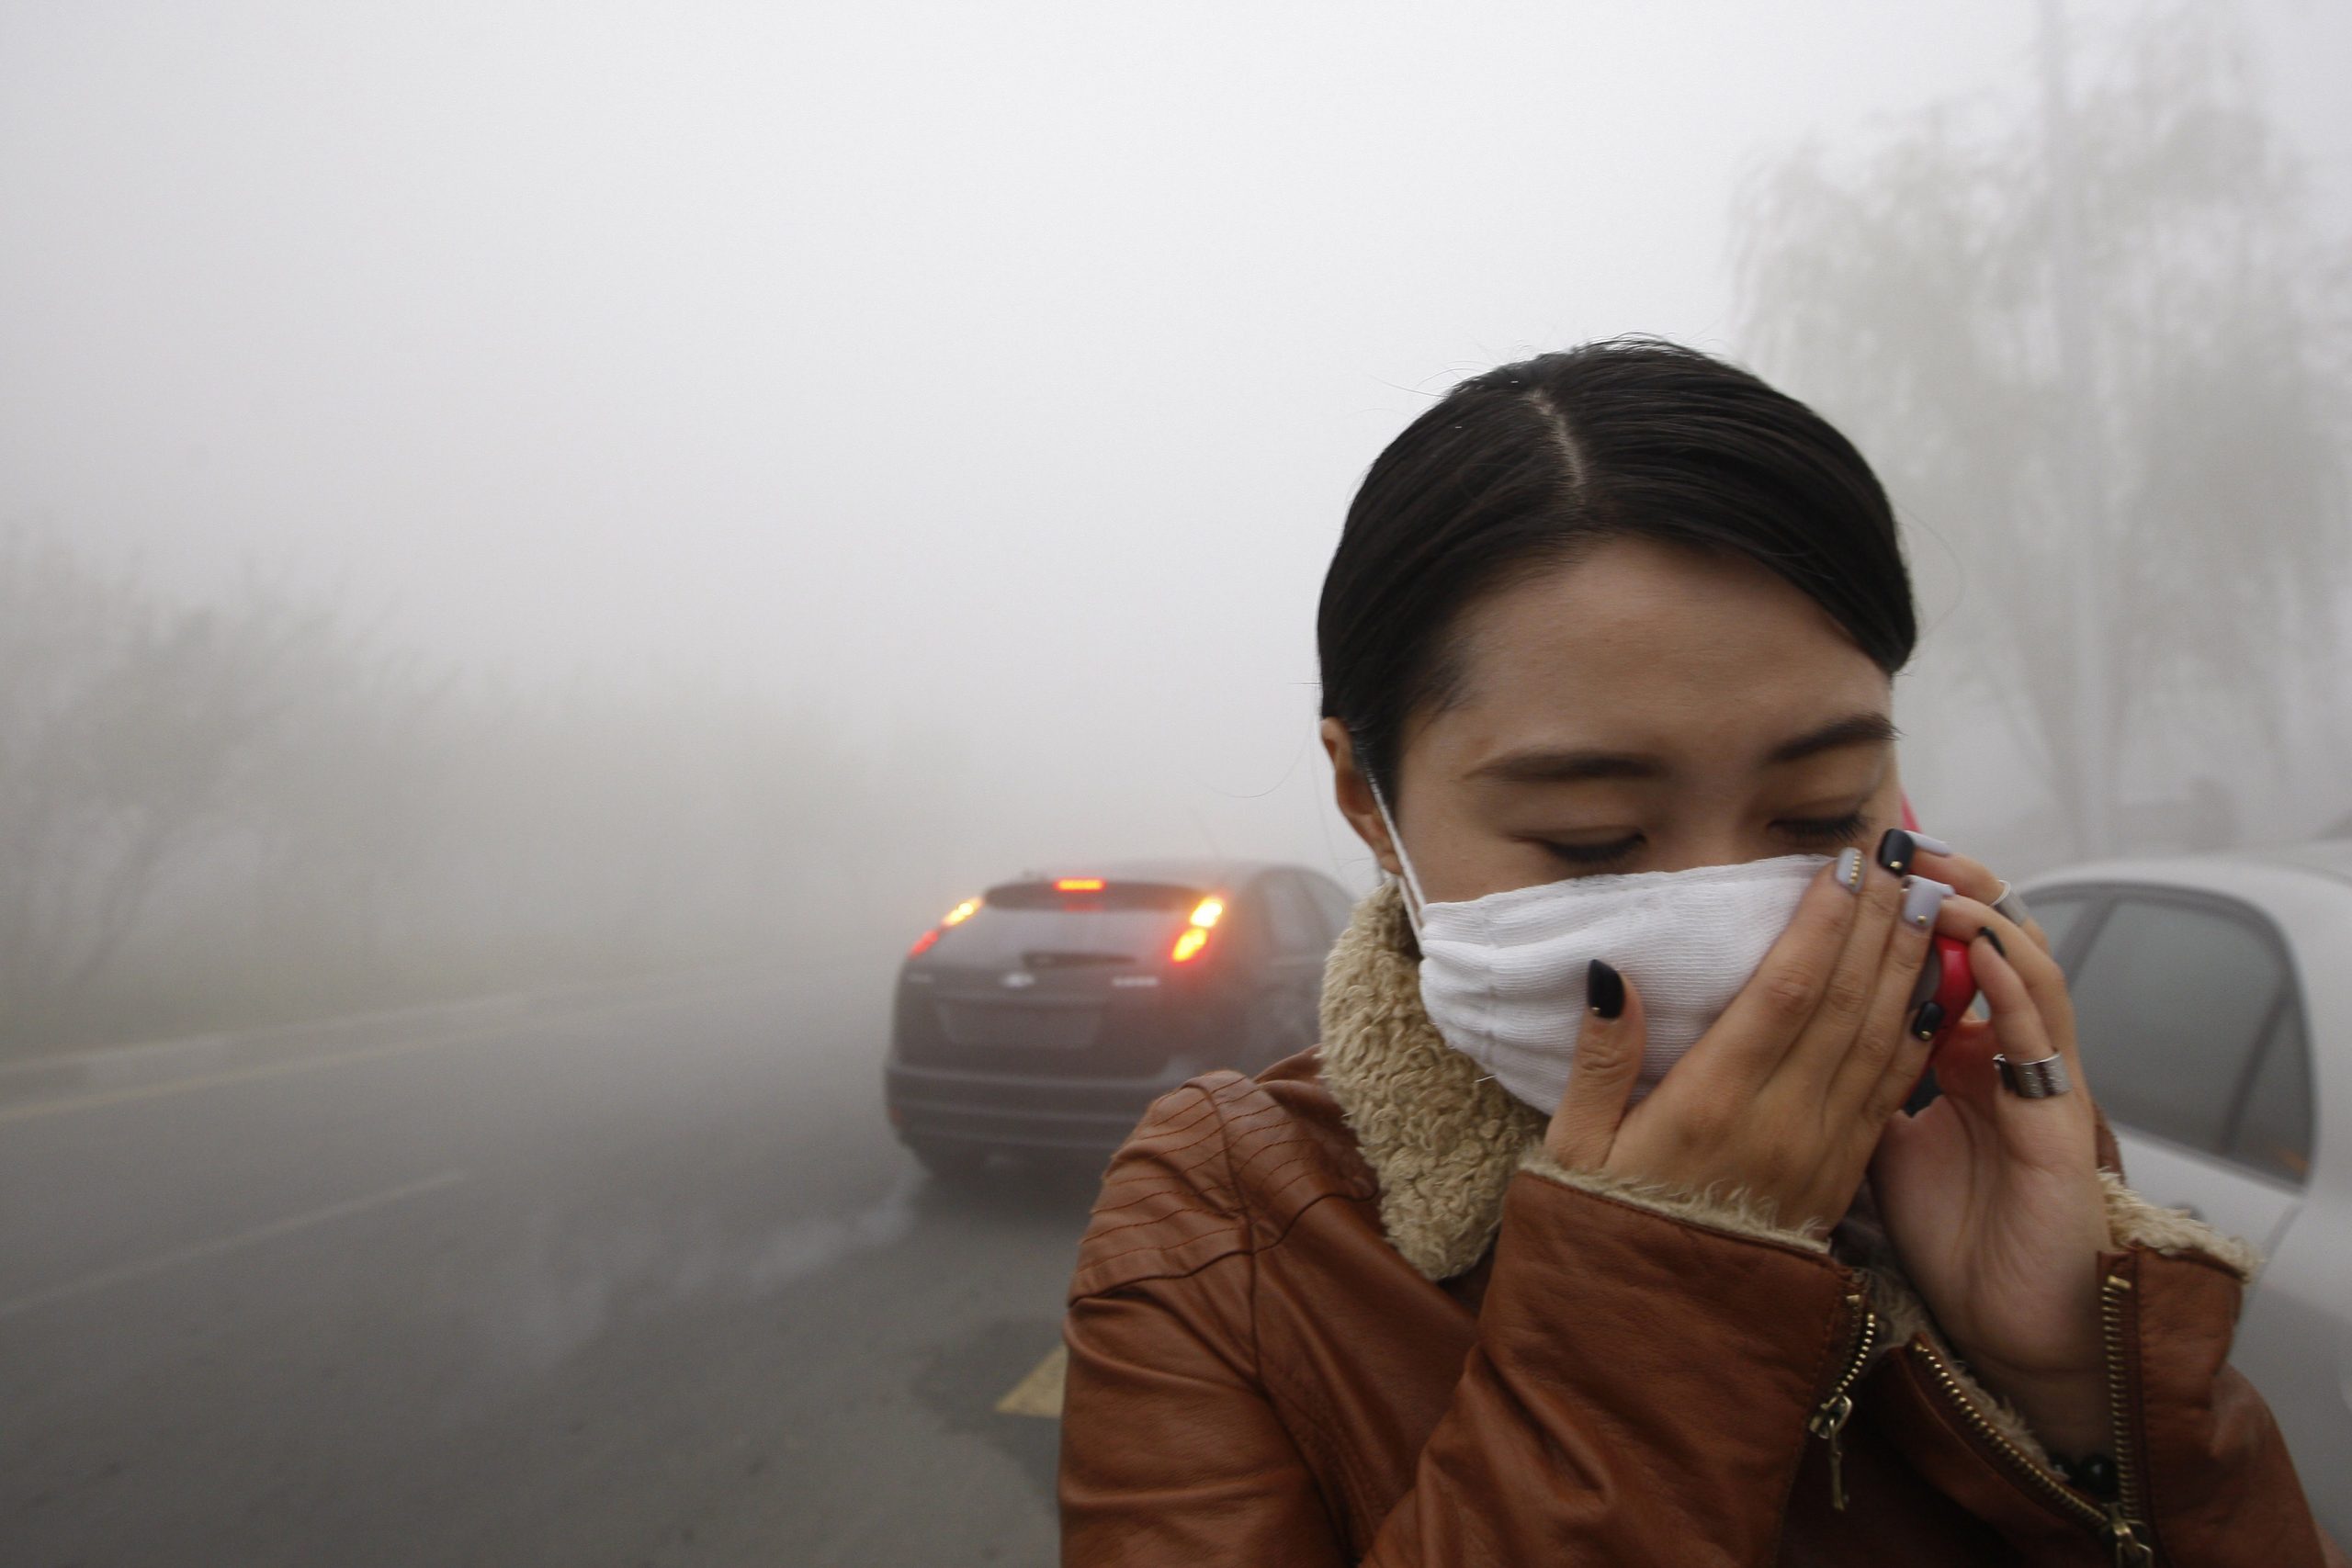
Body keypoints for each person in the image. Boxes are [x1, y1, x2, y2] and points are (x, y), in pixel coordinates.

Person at [1057, 340, 2340, 1565]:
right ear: (1363, 798)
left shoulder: (1962, 1142)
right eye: (1593, 838)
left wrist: (2073, 1387)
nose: (1730, 932)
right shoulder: (1229, 1224)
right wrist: (1662, 1311)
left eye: (1822, 811)